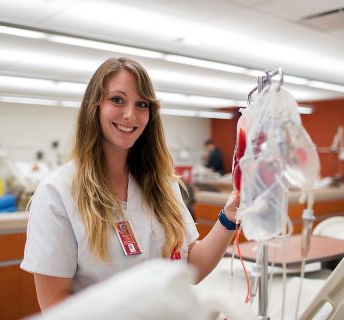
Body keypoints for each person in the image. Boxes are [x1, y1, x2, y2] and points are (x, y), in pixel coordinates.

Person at [20, 57, 239, 310]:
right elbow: (56, 304)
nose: (130, 115)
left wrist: (231, 212)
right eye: (117, 99)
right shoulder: (58, 192)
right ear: (95, 106)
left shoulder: (162, 184)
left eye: (141, 104)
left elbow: (193, 267)